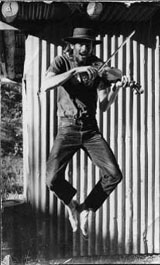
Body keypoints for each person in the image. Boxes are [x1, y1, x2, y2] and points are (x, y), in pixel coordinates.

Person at [42, 27, 126, 239]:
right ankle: (72, 204)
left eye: (88, 44)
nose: (84, 47)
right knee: (52, 178)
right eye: (80, 43)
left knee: (114, 174)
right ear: (72, 44)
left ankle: (87, 208)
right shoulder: (61, 61)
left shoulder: (99, 66)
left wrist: (115, 89)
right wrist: (75, 72)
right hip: (67, 127)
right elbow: (46, 84)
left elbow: (105, 105)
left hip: (90, 129)